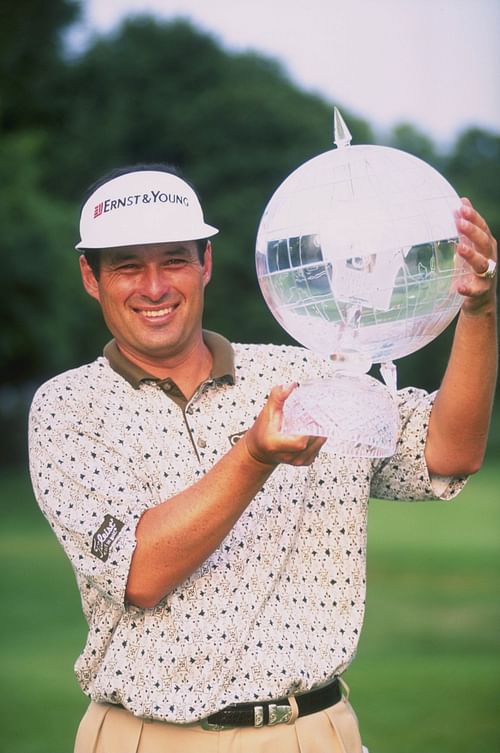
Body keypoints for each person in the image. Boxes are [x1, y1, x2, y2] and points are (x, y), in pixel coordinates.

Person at [29, 163, 497, 753]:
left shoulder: (306, 375)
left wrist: (478, 313)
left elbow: (448, 452)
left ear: (206, 264)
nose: (154, 287)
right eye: (127, 265)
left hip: (311, 732)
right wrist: (254, 457)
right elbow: (141, 574)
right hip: (145, 737)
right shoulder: (69, 408)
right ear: (90, 277)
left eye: (174, 260)